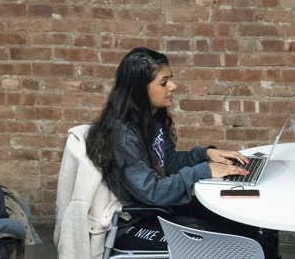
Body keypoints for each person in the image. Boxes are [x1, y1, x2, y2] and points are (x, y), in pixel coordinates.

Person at [85, 47, 278, 258]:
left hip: (163, 207)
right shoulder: (124, 135)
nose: (173, 86)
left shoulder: (152, 117)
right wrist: (202, 171)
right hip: (137, 222)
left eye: (171, 79)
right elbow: (152, 191)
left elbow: (168, 160)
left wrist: (205, 155)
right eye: (164, 82)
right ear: (140, 88)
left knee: (254, 229)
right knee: (245, 247)